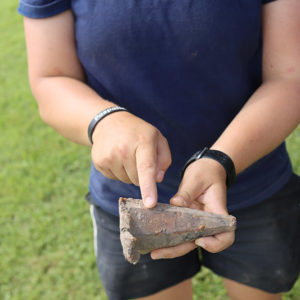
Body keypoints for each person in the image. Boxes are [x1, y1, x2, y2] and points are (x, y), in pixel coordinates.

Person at [18, 0, 300, 299]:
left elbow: (290, 78)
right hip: (128, 204)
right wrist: (104, 120)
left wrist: (221, 160)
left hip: (254, 182)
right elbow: (50, 78)